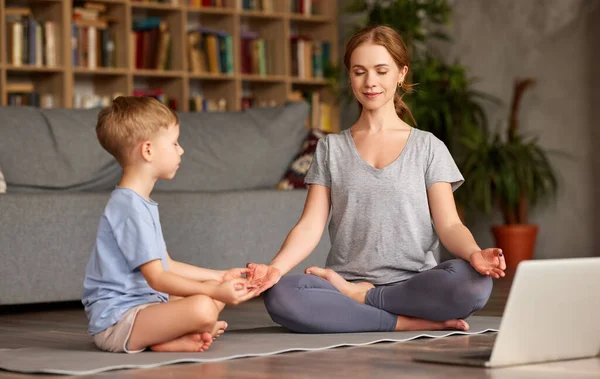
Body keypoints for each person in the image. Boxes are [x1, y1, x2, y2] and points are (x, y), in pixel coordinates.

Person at [245, 25, 506, 334]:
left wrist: (475, 254)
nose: (370, 82)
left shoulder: (428, 147)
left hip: (414, 284)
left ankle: (367, 300)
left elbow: (449, 225)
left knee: (472, 285)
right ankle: (402, 322)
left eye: (381, 71)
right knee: (282, 295)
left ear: (401, 73)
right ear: (350, 77)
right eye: (359, 72)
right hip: (343, 283)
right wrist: (274, 269)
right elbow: (310, 225)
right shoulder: (331, 148)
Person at [82, 96, 256, 353]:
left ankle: (167, 340)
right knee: (205, 306)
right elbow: (158, 278)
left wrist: (220, 277)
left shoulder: (139, 202)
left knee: (210, 294)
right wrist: (218, 292)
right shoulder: (128, 207)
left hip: (146, 307)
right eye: (174, 143)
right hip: (117, 322)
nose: (181, 150)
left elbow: (167, 264)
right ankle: (170, 335)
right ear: (148, 150)